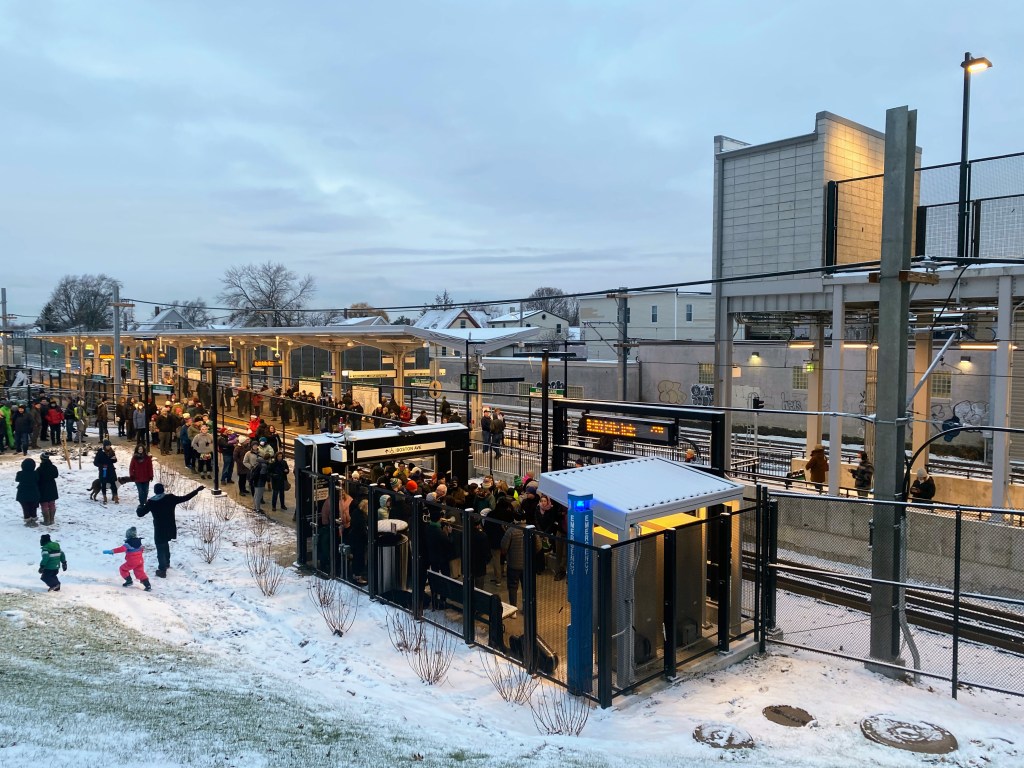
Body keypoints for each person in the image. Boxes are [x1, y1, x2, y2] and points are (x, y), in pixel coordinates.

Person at [137, 482, 203, 578]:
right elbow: (185, 498)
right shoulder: (170, 498)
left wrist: (139, 507)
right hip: (170, 527)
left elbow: (140, 513)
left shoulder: (151, 502)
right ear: (163, 490)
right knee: (165, 543)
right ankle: (167, 562)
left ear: (155, 491)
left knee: (160, 546)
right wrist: (197, 490)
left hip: (159, 528)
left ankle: (162, 569)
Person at [103, 526, 152, 591]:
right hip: (140, 561)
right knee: (140, 572)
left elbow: (121, 549)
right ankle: (147, 585)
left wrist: (112, 551)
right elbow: (142, 549)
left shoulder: (128, 544)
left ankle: (129, 581)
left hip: (132, 561)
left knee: (122, 569)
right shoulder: (139, 542)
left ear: (128, 535)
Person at [16, 457, 41, 526]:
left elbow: (17, 479)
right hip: (34, 492)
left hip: (22, 493)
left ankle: (27, 520)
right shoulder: (35, 473)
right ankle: (33, 519)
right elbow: (38, 479)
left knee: (25, 507)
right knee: (33, 507)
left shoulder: (20, 473)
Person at [37, 452, 60, 526]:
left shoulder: (39, 469)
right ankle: (52, 519)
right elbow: (56, 475)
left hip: (43, 488)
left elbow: (37, 478)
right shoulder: (53, 467)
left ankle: (46, 520)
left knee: (44, 504)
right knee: (52, 503)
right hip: (52, 487)